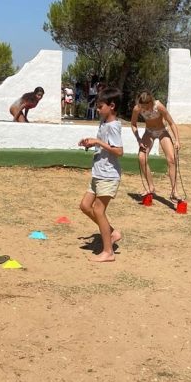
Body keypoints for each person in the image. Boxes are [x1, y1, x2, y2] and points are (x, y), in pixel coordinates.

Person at [77, 85, 124, 262]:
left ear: (111, 106)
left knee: (98, 210)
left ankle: (108, 252)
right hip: (98, 172)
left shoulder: (113, 126)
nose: (97, 110)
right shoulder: (103, 123)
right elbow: (104, 145)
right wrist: (90, 143)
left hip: (108, 175)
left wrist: (98, 142)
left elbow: (119, 151)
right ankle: (112, 233)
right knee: (85, 206)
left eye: (100, 106)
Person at [130, 90, 182, 202]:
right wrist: (138, 139)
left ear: (151, 102)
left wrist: (177, 140)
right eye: (143, 107)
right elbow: (133, 124)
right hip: (149, 132)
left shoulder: (158, 106)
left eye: (147, 107)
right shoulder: (137, 108)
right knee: (142, 157)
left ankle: (174, 191)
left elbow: (171, 123)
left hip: (162, 131)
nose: (145, 109)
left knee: (171, 159)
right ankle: (151, 187)